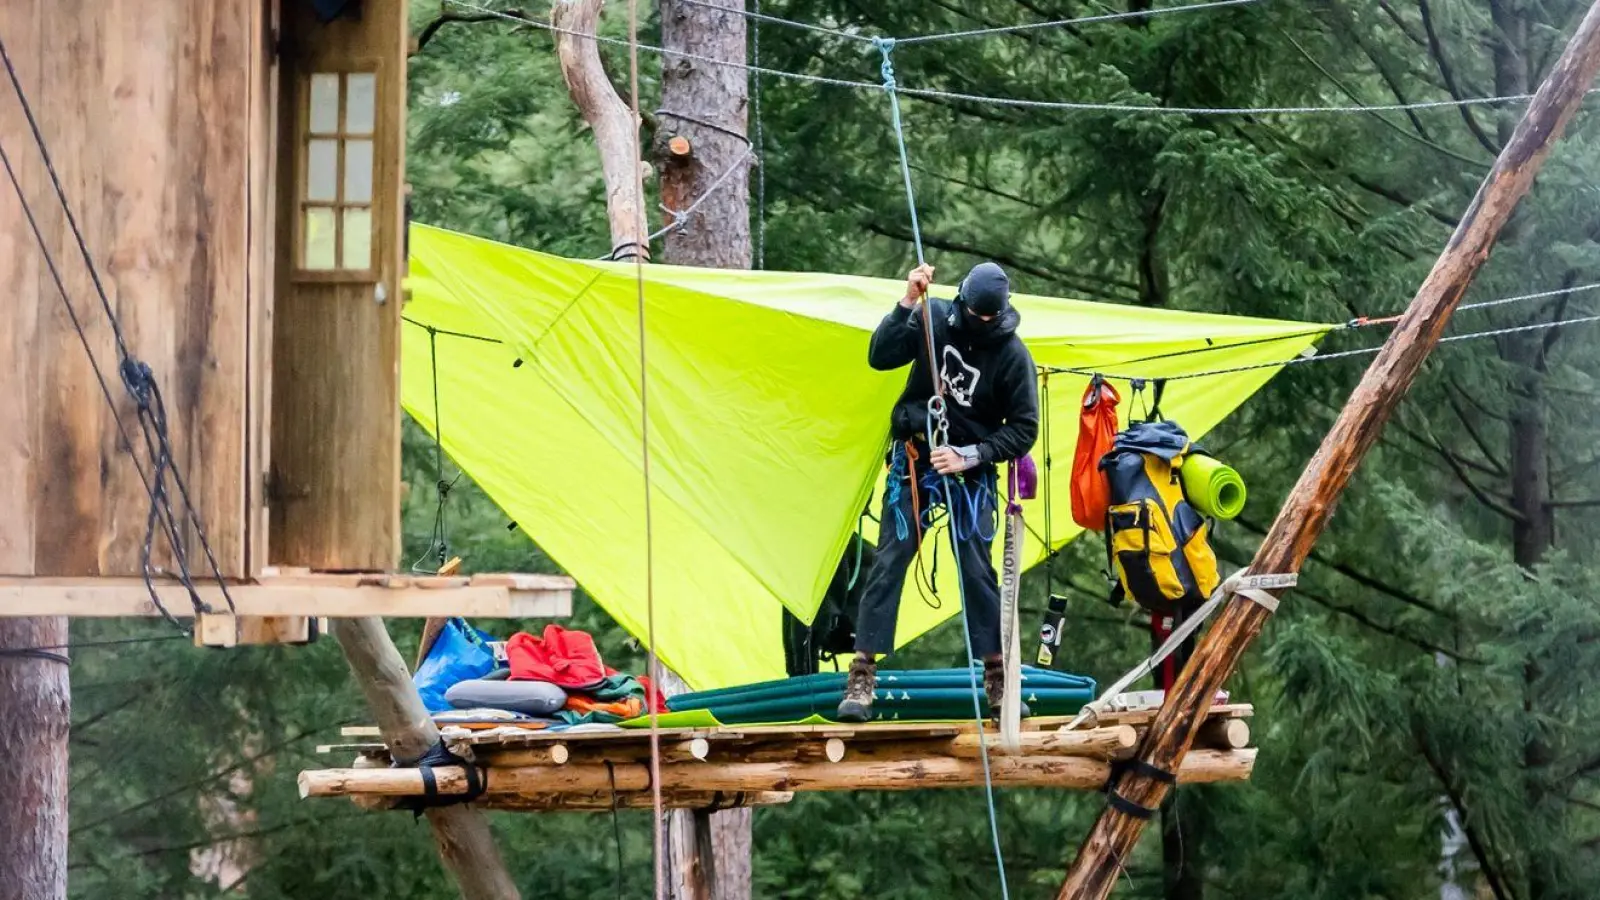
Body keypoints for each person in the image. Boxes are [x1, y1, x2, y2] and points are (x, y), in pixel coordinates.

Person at [837, 261, 1039, 723]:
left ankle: (996, 676)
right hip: (916, 455)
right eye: (976, 314)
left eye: (991, 319)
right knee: (890, 557)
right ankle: (862, 675)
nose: (982, 324)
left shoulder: (1012, 356)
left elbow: (1024, 428)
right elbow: (880, 354)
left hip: (969, 472)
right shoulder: (934, 318)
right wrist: (908, 300)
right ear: (964, 301)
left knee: (975, 567)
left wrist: (972, 454)